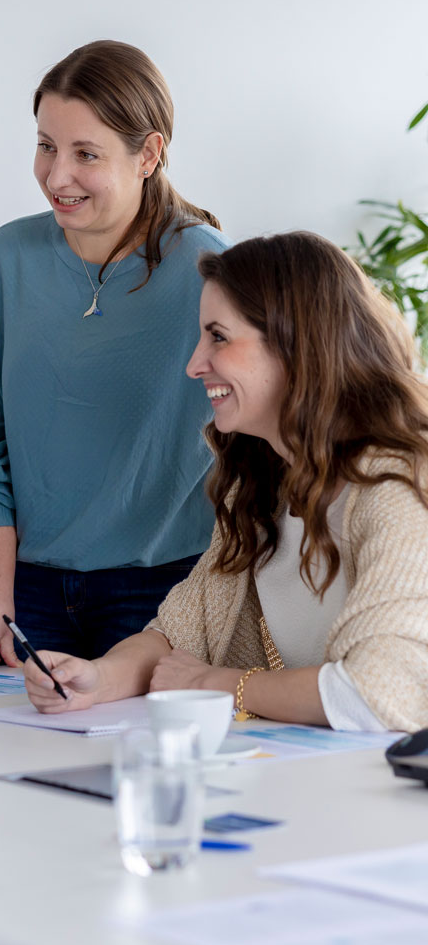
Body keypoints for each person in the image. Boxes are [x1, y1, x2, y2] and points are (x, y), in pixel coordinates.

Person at [25, 231, 428, 733]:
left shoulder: (399, 484)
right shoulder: (259, 483)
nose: (194, 364)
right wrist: (95, 677)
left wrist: (221, 684)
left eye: (218, 336)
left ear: (295, 344)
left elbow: (377, 694)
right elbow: (176, 635)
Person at [0, 40, 229, 668]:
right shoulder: (5, 260)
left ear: (149, 154)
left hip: (166, 590)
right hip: (29, 591)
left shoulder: (209, 269)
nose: (56, 177)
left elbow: (253, 432)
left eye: (86, 154)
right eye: (46, 145)